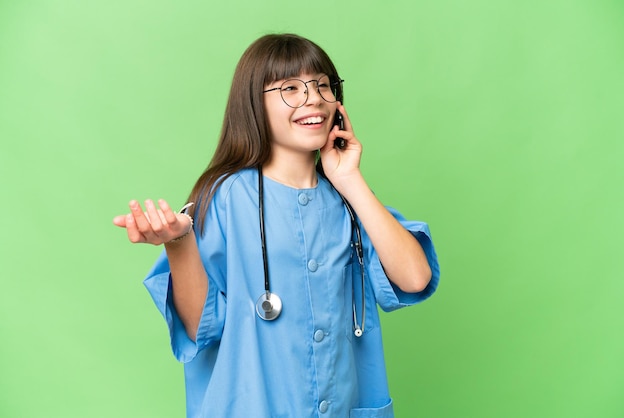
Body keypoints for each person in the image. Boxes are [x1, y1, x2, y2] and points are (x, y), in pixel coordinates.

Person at [113, 33, 440, 418]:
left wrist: (349, 179)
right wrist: (180, 242)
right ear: (253, 104)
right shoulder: (225, 198)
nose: (314, 98)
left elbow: (415, 278)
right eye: (290, 88)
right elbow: (201, 326)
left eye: (323, 85)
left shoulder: (350, 205)